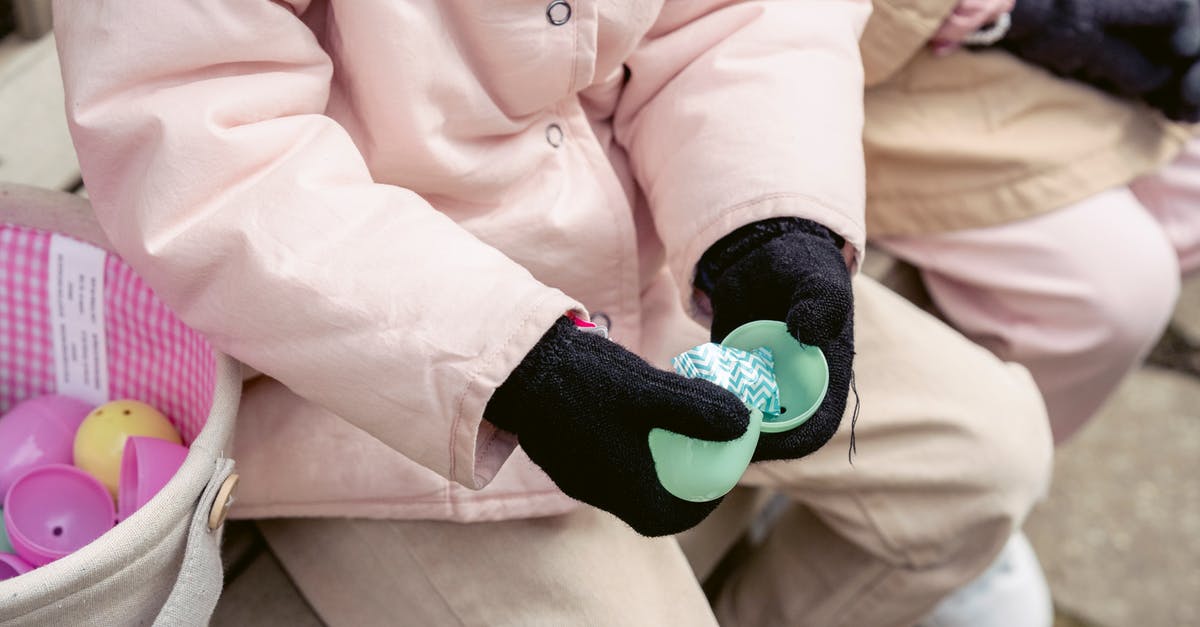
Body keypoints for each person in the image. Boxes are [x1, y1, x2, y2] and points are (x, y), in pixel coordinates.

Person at [53, 1, 1051, 625]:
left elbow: (733, 20)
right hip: (373, 371)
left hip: (640, 251)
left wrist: (767, 221)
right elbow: (208, 159)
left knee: (988, 456)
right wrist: (522, 370)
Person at [859, 0, 1200, 623]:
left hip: (1011, 46)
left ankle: (958, 497)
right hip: (881, 60)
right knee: (1115, 290)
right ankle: (937, 524)